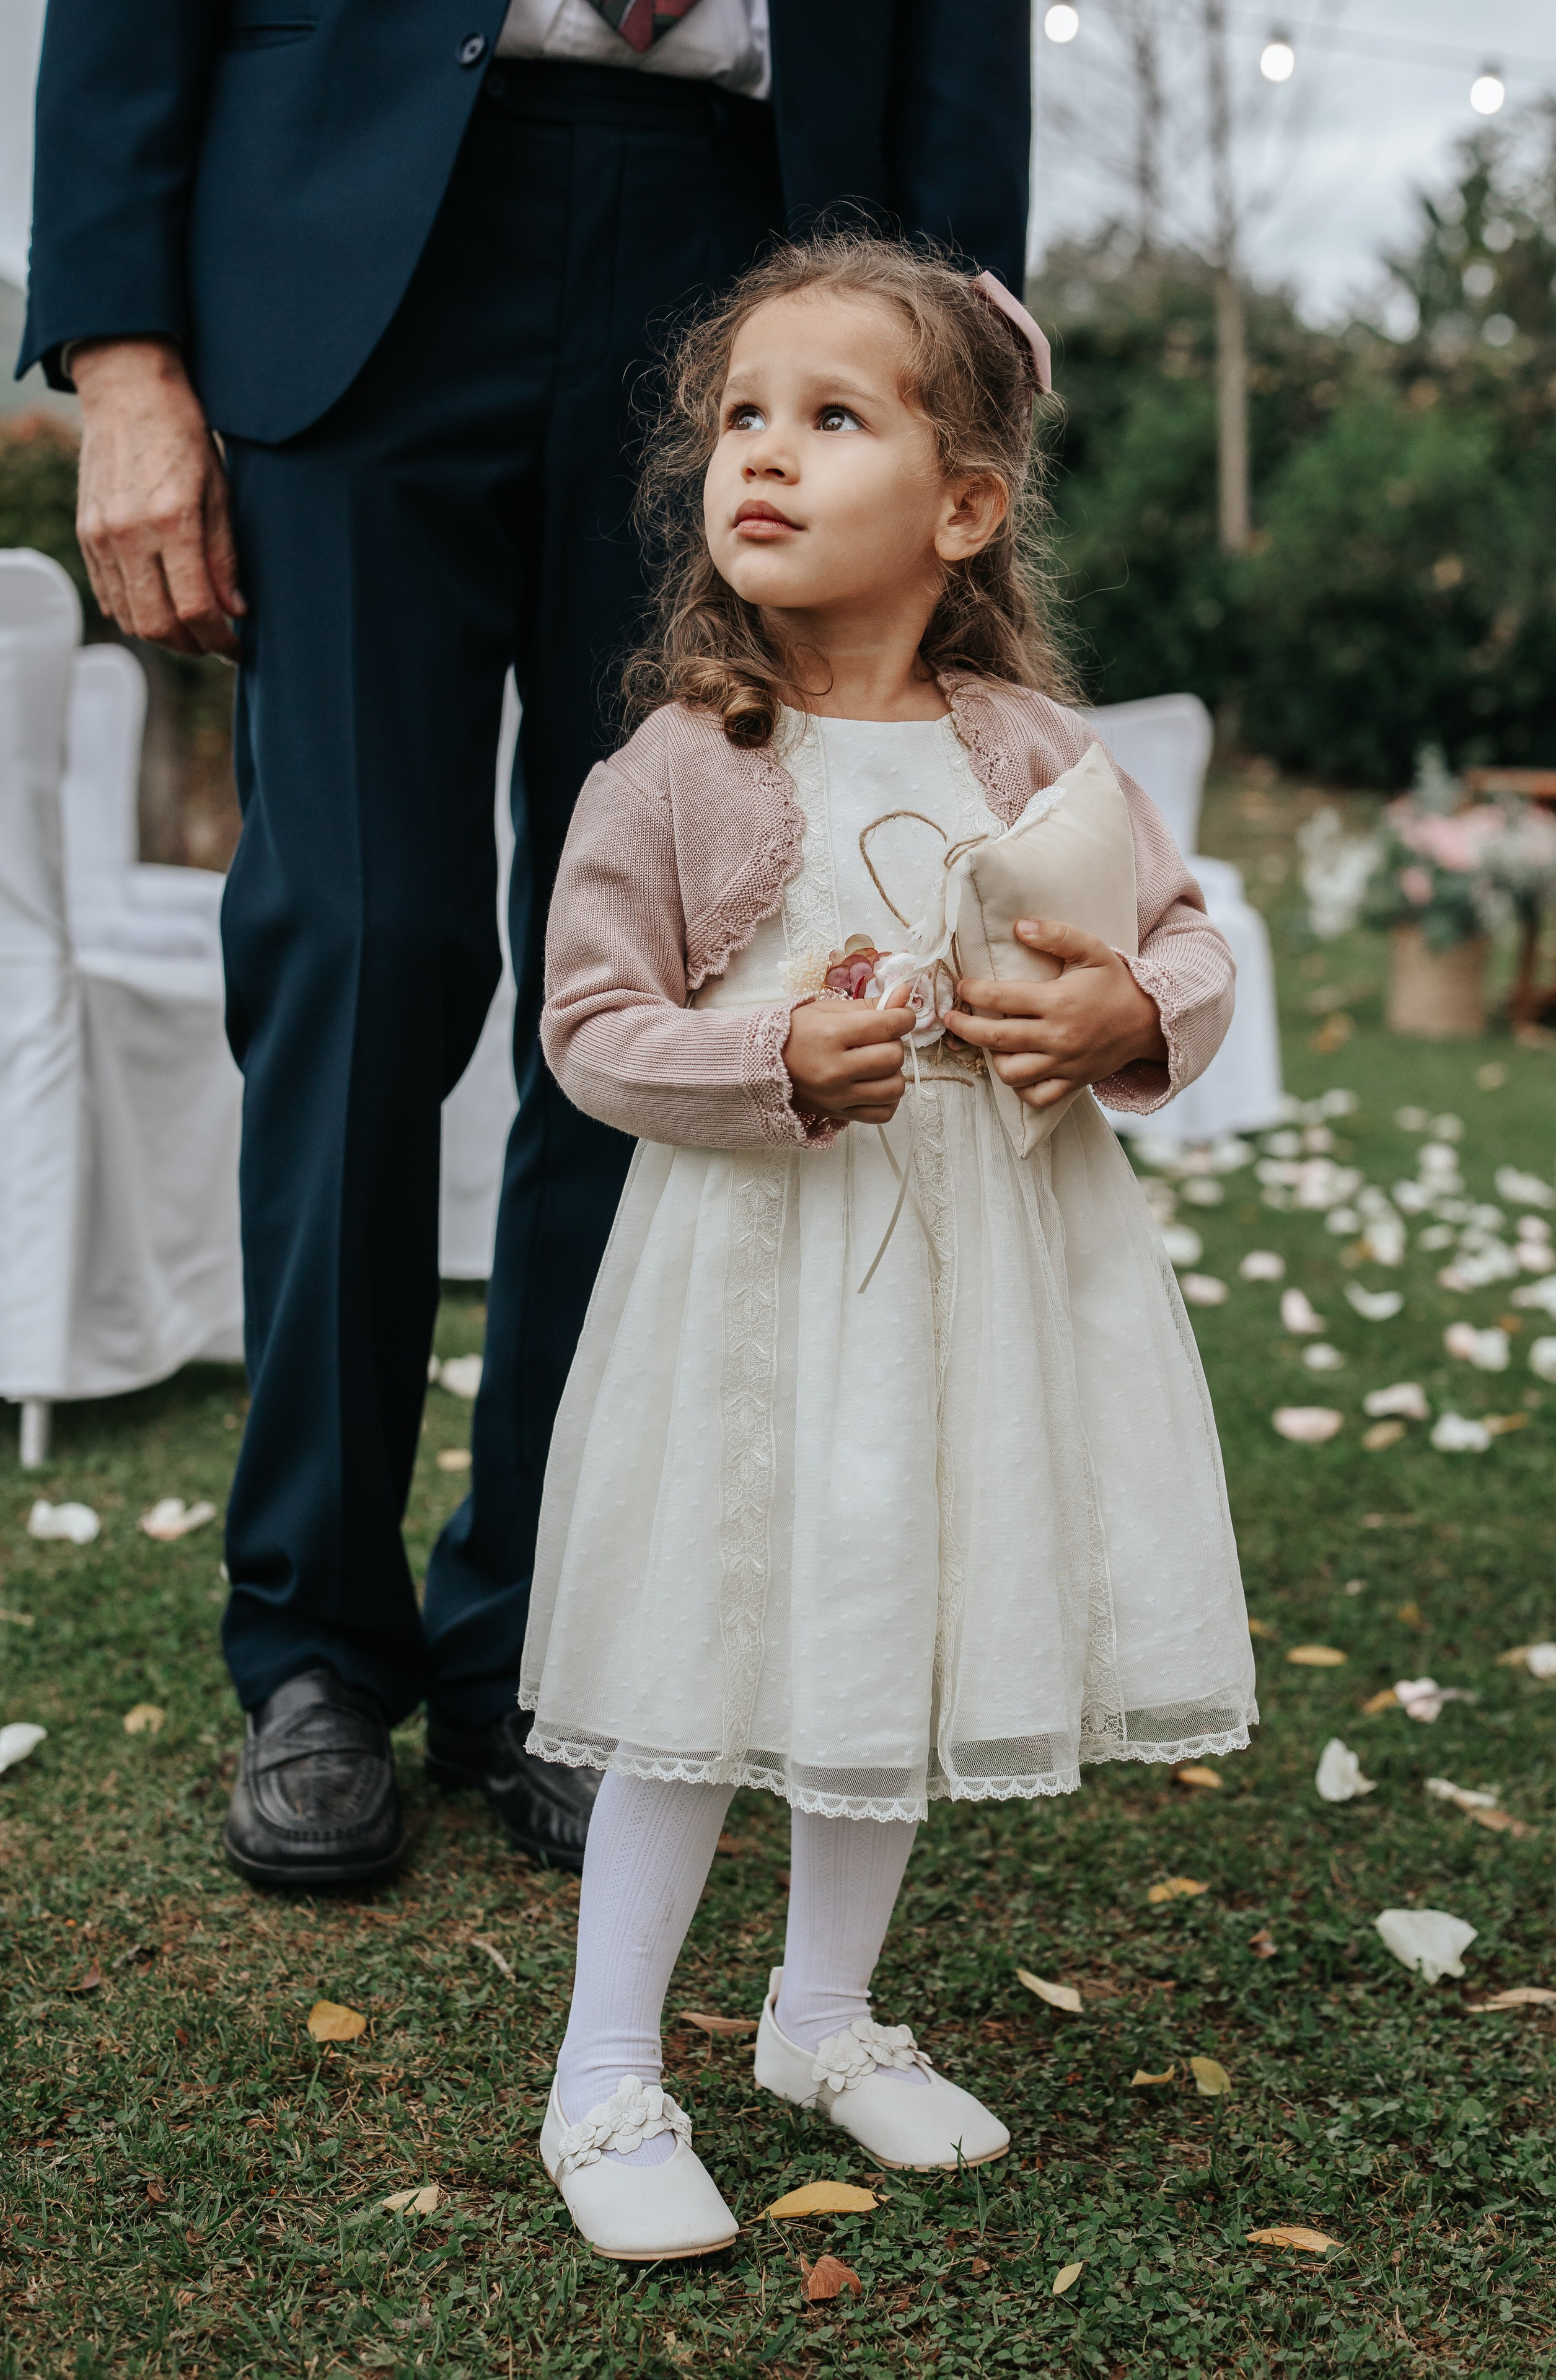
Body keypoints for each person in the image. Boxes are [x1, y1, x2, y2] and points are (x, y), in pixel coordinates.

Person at [18, 2, 1034, 1887]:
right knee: (359, 940)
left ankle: (545, 1643)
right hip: (341, 237)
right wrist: (125, 354)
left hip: (753, 243)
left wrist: (963, 312)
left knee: (673, 964)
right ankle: (314, 1648)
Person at [519, 234, 1257, 2260]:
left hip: (974, 1277)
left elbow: (1187, 936)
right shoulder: (678, 761)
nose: (760, 455)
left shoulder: (1023, 746)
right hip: (753, 1278)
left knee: (895, 1629)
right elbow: (589, 1029)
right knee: (702, 1647)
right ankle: (606, 2076)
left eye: (829, 417)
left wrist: (1135, 1015)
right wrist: (769, 1054)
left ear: (963, 507)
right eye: (739, 416)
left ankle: (822, 2018)